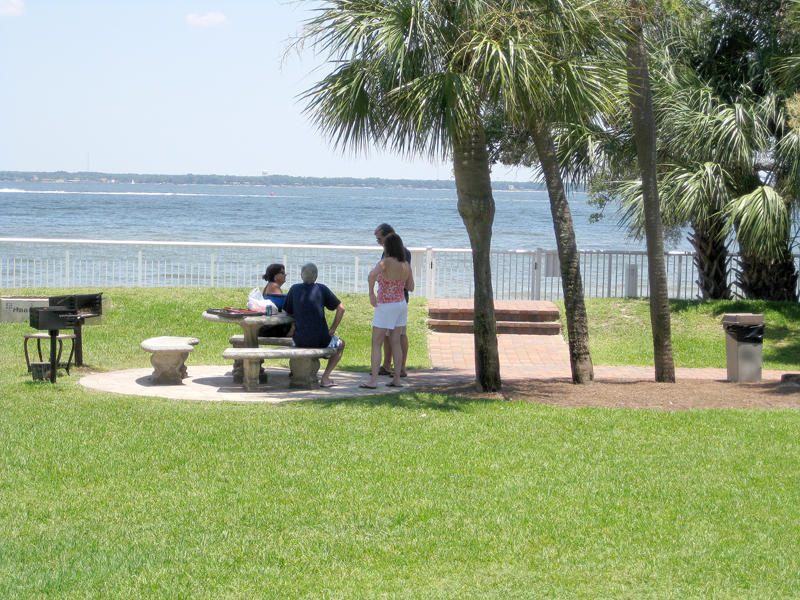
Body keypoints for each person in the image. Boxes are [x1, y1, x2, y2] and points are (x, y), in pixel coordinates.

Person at [361, 232, 415, 389]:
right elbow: (410, 287)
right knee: (396, 341)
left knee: (376, 342)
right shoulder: (406, 265)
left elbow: (371, 275)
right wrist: (398, 283)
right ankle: (397, 378)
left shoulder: (385, 262)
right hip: (401, 304)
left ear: (388, 247)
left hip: (385, 304)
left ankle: (374, 381)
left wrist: (371, 293)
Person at [282, 263, 345, 388]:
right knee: (341, 343)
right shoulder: (322, 289)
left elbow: (287, 312)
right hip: (321, 339)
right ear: (316, 276)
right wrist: (332, 329)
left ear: (301, 275)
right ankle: (326, 377)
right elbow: (341, 308)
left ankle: (296, 372)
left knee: (292, 342)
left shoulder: (294, 289)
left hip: (299, 340)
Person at [374, 223, 412, 378]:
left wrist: (372, 291)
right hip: (396, 301)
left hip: (394, 300)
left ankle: (400, 368)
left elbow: (374, 274)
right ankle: (388, 367)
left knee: (398, 336)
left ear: (388, 237)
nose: (379, 242)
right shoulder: (388, 254)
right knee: (390, 336)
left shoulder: (401, 254)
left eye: (380, 239)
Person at [258, 263, 292, 338]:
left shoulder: (269, 285)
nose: (285, 275)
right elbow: (285, 306)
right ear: (275, 276)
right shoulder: (274, 286)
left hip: (265, 327)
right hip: (270, 329)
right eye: (282, 273)